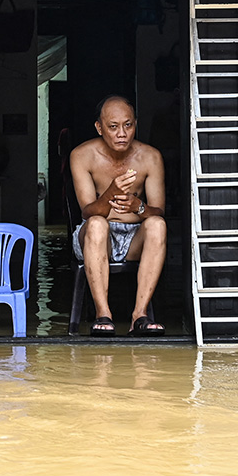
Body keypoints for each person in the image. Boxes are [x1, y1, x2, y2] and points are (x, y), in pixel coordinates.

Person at [69, 95, 166, 336]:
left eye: (128, 125)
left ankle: (139, 316)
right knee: (96, 224)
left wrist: (138, 207)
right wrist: (110, 193)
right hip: (96, 238)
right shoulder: (82, 155)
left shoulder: (150, 157)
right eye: (113, 127)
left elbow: (158, 210)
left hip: (135, 238)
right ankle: (104, 315)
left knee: (157, 225)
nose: (121, 133)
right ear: (99, 128)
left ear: (135, 124)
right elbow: (87, 211)